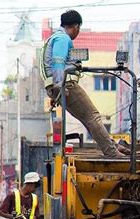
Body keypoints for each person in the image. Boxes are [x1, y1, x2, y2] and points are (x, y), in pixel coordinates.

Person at [40, 10, 127, 158]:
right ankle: (112, 152)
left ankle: (112, 144)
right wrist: (58, 85)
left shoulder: (53, 38)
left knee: (87, 119)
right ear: (75, 26)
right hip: (66, 85)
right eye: (78, 28)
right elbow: (58, 61)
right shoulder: (62, 38)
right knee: (93, 116)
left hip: (59, 86)